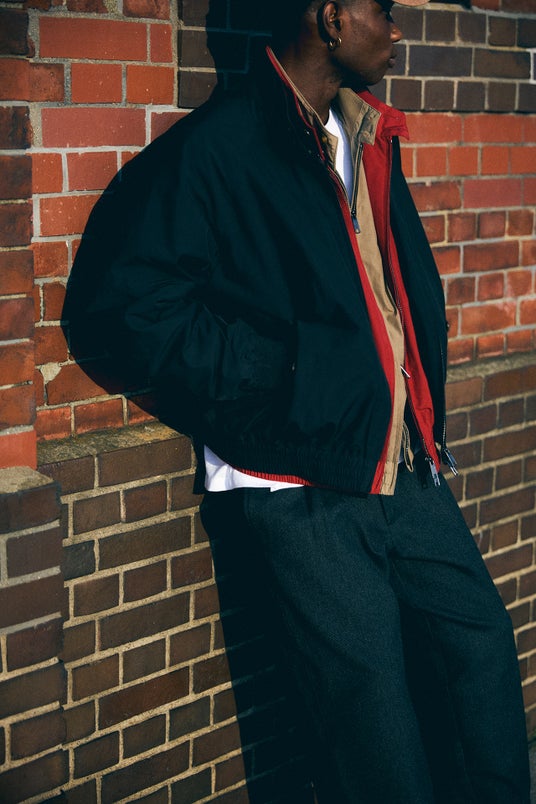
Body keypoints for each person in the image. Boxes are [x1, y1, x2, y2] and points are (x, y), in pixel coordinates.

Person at [64, 0, 531, 800]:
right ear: (332, 18)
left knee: (479, 651)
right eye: (384, 10)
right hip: (299, 480)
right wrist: (284, 373)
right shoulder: (220, 148)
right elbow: (124, 309)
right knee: (372, 722)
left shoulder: (364, 133)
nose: (397, 31)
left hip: (397, 454)